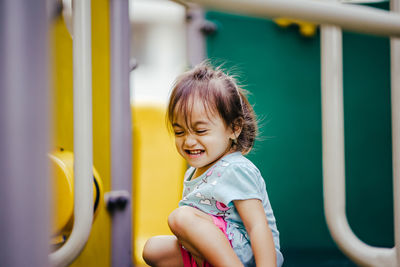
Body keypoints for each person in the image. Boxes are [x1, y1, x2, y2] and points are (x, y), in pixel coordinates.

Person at [142, 62, 283, 267]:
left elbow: (257, 226)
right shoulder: (194, 171)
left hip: (247, 254)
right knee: (153, 249)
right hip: (218, 249)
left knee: (181, 217)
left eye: (200, 131)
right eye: (180, 132)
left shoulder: (235, 168)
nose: (189, 141)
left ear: (234, 128)